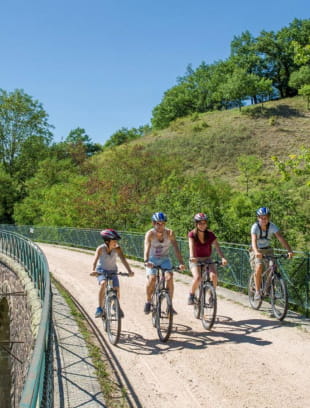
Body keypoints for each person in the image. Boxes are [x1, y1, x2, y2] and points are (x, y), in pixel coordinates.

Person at [143, 212, 185, 314]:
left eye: (162, 223)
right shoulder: (150, 234)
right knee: (152, 279)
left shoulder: (170, 233)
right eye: (158, 223)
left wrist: (181, 263)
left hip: (165, 259)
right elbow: (146, 248)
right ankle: (148, 301)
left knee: (169, 278)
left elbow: (176, 248)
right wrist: (146, 261)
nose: (160, 226)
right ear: (153, 224)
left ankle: (169, 305)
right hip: (152, 259)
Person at [250, 207, 293, 301]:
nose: (263, 220)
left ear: (268, 218)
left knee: (272, 267)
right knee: (259, 266)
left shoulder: (273, 227)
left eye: (265, 218)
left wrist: (289, 250)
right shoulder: (255, 227)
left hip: (268, 250)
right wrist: (256, 252)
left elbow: (281, 238)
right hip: (256, 250)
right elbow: (253, 241)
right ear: (258, 218)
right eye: (261, 217)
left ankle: (268, 289)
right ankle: (257, 291)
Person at [91, 228, 134, 318]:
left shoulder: (117, 249)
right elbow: (95, 260)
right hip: (101, 270)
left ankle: (115, 306)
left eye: (116, 240)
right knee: (103, 284)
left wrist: (129, 271)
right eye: (114, 240)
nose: (116, 242)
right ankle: (99, 308)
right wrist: (93, 270)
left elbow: (123, 259)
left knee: (116, 288)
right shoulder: (100, 248)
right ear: (107, 241)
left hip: (113, 271)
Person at [187, 213, 228, 305]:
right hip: (196, 259)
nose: (202, 225)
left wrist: (223, 258)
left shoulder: (210, 234)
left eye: (204, 223)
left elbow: (217, 246)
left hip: (207, 259)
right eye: (200, 223)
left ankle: (211, 295)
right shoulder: (192, 234)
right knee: (197, 278)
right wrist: (191, 257)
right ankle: (191, 295)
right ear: (196, 224)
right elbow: (191, 246)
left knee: (213, 276)